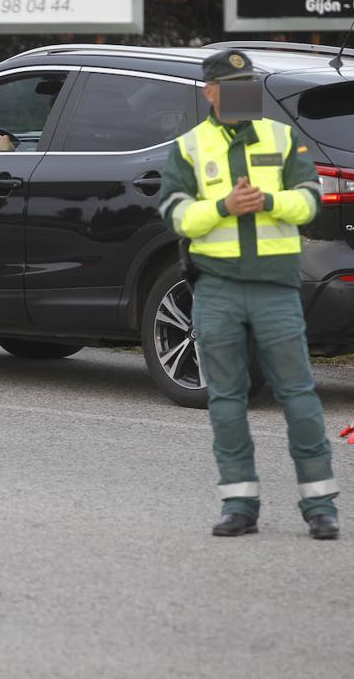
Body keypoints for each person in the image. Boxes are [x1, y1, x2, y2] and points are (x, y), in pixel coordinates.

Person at [159, 49, 340, 540]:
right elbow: (175, 215)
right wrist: (223, 204)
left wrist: (267, 201)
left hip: (275, 288)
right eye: (232, 87)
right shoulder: (189, 147)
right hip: (215, 288)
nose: (243, 95)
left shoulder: (282, 138)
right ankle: (239, 503)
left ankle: (320, 504)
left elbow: (309, 201)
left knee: (298, 395)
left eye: (248, 87)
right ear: (211, 92)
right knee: (226, 399)